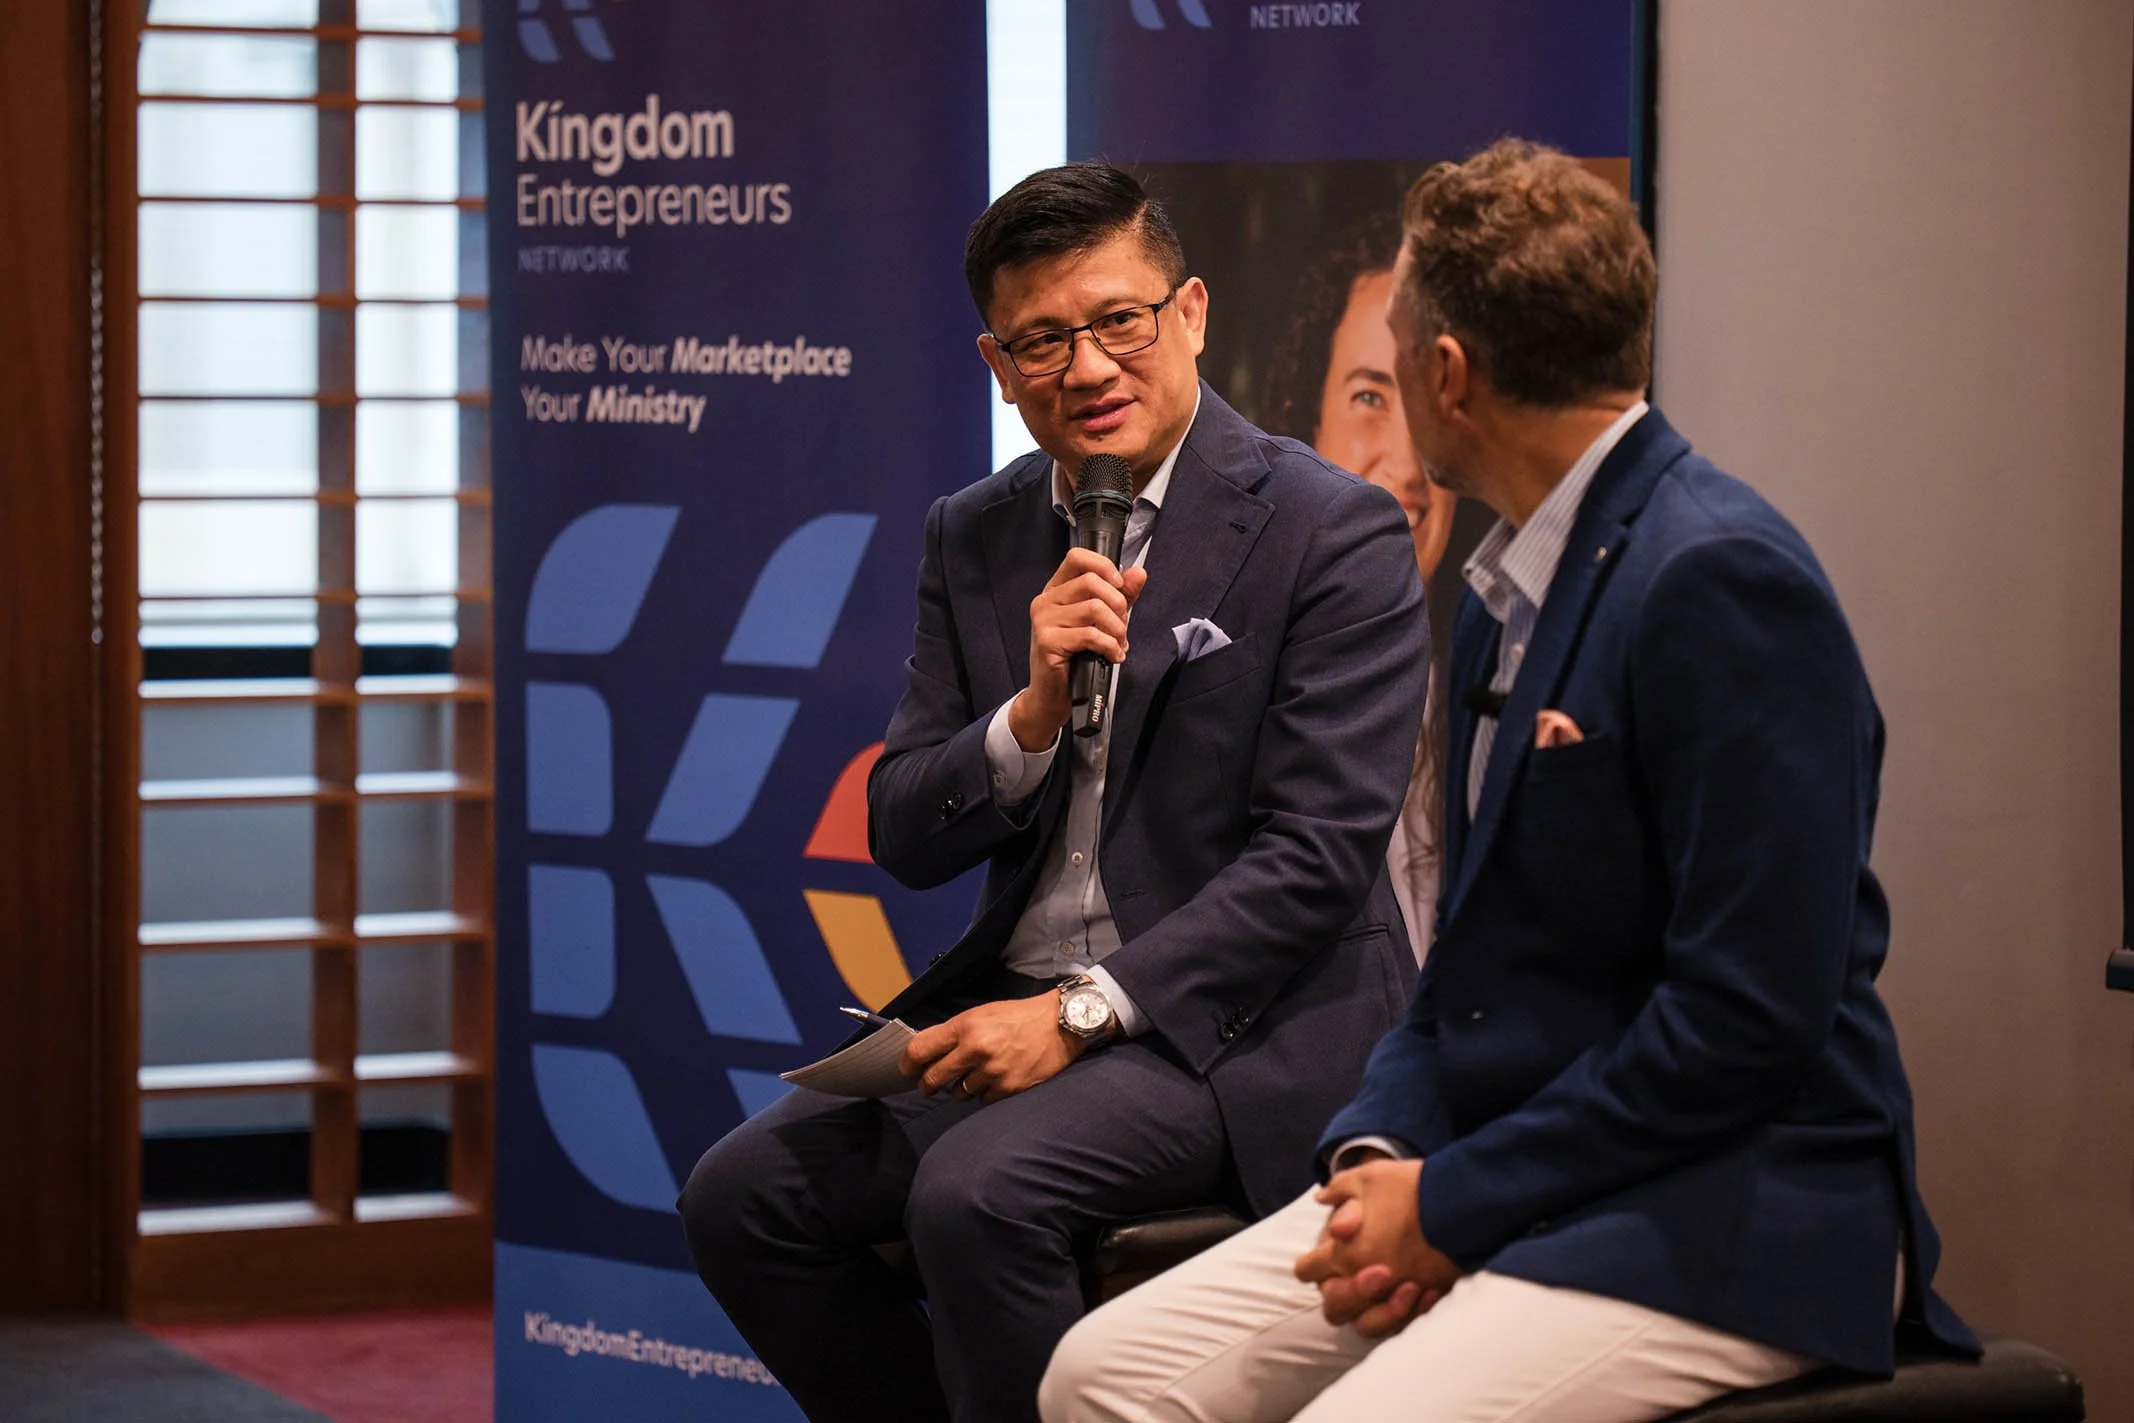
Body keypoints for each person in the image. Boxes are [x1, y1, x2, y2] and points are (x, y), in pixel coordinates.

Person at [1039, 139, 1978, 1423]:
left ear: (1446, 374)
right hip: (1514, 1172)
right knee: (1101, 1376)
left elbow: (1747, 1024)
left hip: (1732, 1206)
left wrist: (1454, 1202)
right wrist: (1380, 1156)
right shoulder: (1497, 596)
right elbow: (1464, 978)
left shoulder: (1721, 581)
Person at [677, 162, 1429, 1423]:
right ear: (996, 362)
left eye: (1116, 321)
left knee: (976, 1195)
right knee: (741, 1197)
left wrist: (1081, 1013)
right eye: (1041, 340)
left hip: (1232, 1025)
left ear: (1188, 313)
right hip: (1018, 1004)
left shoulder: (1327, 528)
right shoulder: (975, 533)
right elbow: (904, 829)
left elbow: (1313, 860)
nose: (1085, 367)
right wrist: (1024, 718)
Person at [1263, 215, 1460, 951]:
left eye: (1427, 403)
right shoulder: (1233, 689)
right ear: (1303, 422)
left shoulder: (1496, 680)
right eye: (1371, 399)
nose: (1408, 466)